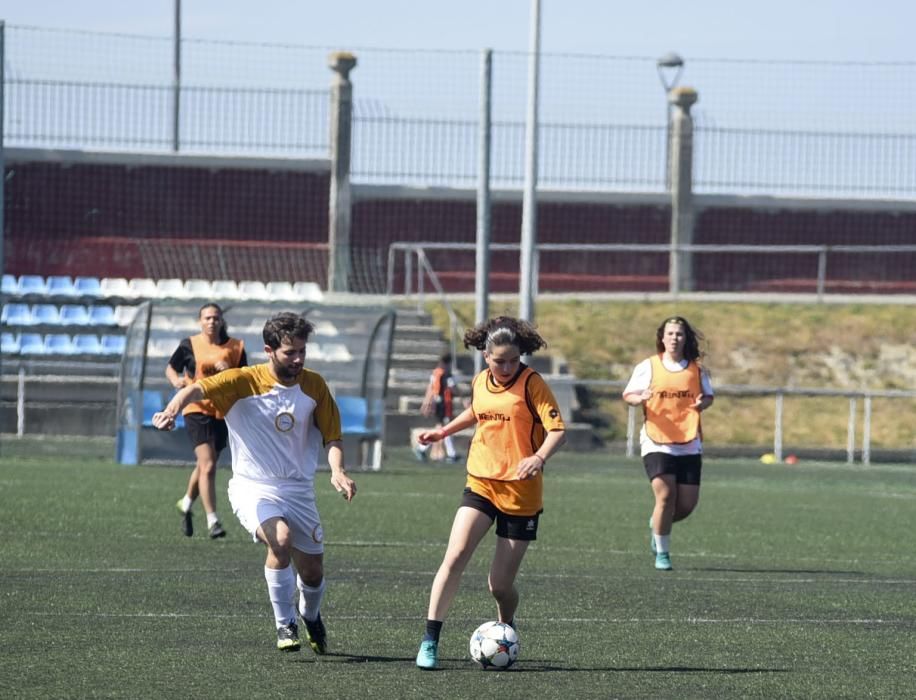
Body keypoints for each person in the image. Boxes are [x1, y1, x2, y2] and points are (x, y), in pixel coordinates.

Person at [153, 312, 357, 654]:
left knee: (313, 573)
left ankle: (310, 614)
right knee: (280, 539)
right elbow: (195, 389)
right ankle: (284, 623)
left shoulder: (315, 386)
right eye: (290, 352)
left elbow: (332, 437)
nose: (299, 359)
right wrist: (171, 411)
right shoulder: (242, 381)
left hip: (299, 490)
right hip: (253, 486)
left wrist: (337, 471)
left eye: (303, 351)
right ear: (269, 350)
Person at [414, 316, 567, 670]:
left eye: (514, 360)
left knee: (498, 586)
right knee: (454, 556)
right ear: (485, 355)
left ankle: (506, 625)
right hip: (481, 483)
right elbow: (476, 411)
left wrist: (538, 456)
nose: (507, 367)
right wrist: (443, 432)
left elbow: (558, 430)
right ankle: (429, 640)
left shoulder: (532, 384)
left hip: (521, 493)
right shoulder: (481, 380)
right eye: (500, 361)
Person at [622, 315, 714, 571]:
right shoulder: (648, 367)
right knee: (665, 495)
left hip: (689, 441)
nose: (675, 338)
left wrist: (702, 403)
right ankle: (662, 553)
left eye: (679, 334)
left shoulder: (696, 370)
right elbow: (628, 395)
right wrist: (640, 397)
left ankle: (657, 525)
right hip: (657, 440)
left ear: (686, 339)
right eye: (670, 333)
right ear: (662, 338)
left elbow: (708, 396)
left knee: (685, 505)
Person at [166, 303, 247, 539]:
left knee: (205, 465)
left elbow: (244, 379)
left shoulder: (236, 347)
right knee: (209, 464)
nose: (211, 322)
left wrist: (229, 369)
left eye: (215, 318)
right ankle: (213, 521)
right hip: (196, 408)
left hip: (222, 411)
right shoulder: (189, 344)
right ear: (200, 321)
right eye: (207, 318)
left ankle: (186, 502)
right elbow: (171, 368)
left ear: (222, 321)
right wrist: (176, 381)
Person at [413, 352, 461, 463]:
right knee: (445, 428)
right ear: (448, 363)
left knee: (442, 428)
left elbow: (430, 389)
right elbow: (453, 388)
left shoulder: (435, 373)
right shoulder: (446, 375)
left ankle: (450, 453)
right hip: (444, 405)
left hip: (438, 403)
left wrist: (426, 403)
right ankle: (423, 448)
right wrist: (461, 395)